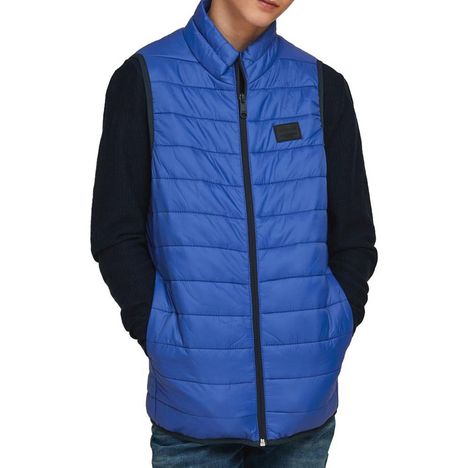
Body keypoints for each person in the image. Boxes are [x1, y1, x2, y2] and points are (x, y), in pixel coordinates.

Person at [91, 0, 378, 466]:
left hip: (304, 409)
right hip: (192, 416)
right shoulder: (144, 79)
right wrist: (163, 335)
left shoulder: (322, 86)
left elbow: (355, 237)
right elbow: (115, 232)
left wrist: (332, 326)